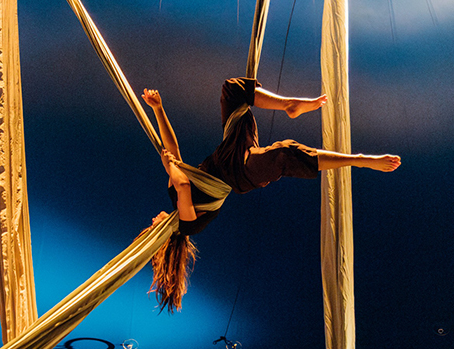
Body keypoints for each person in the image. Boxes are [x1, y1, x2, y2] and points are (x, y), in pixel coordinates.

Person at [140, 78, 401, 312]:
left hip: (228, 152)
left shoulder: (172, 194)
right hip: (238, 173)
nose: (152, 220)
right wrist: (170, 165)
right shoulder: (188, 225)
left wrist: (158, 109)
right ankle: (360, 160)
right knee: (285, 155)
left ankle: (290, 105)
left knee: (233, 90)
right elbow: (183, 182)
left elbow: (171, 149)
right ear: (162, 235)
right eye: (152, 226)